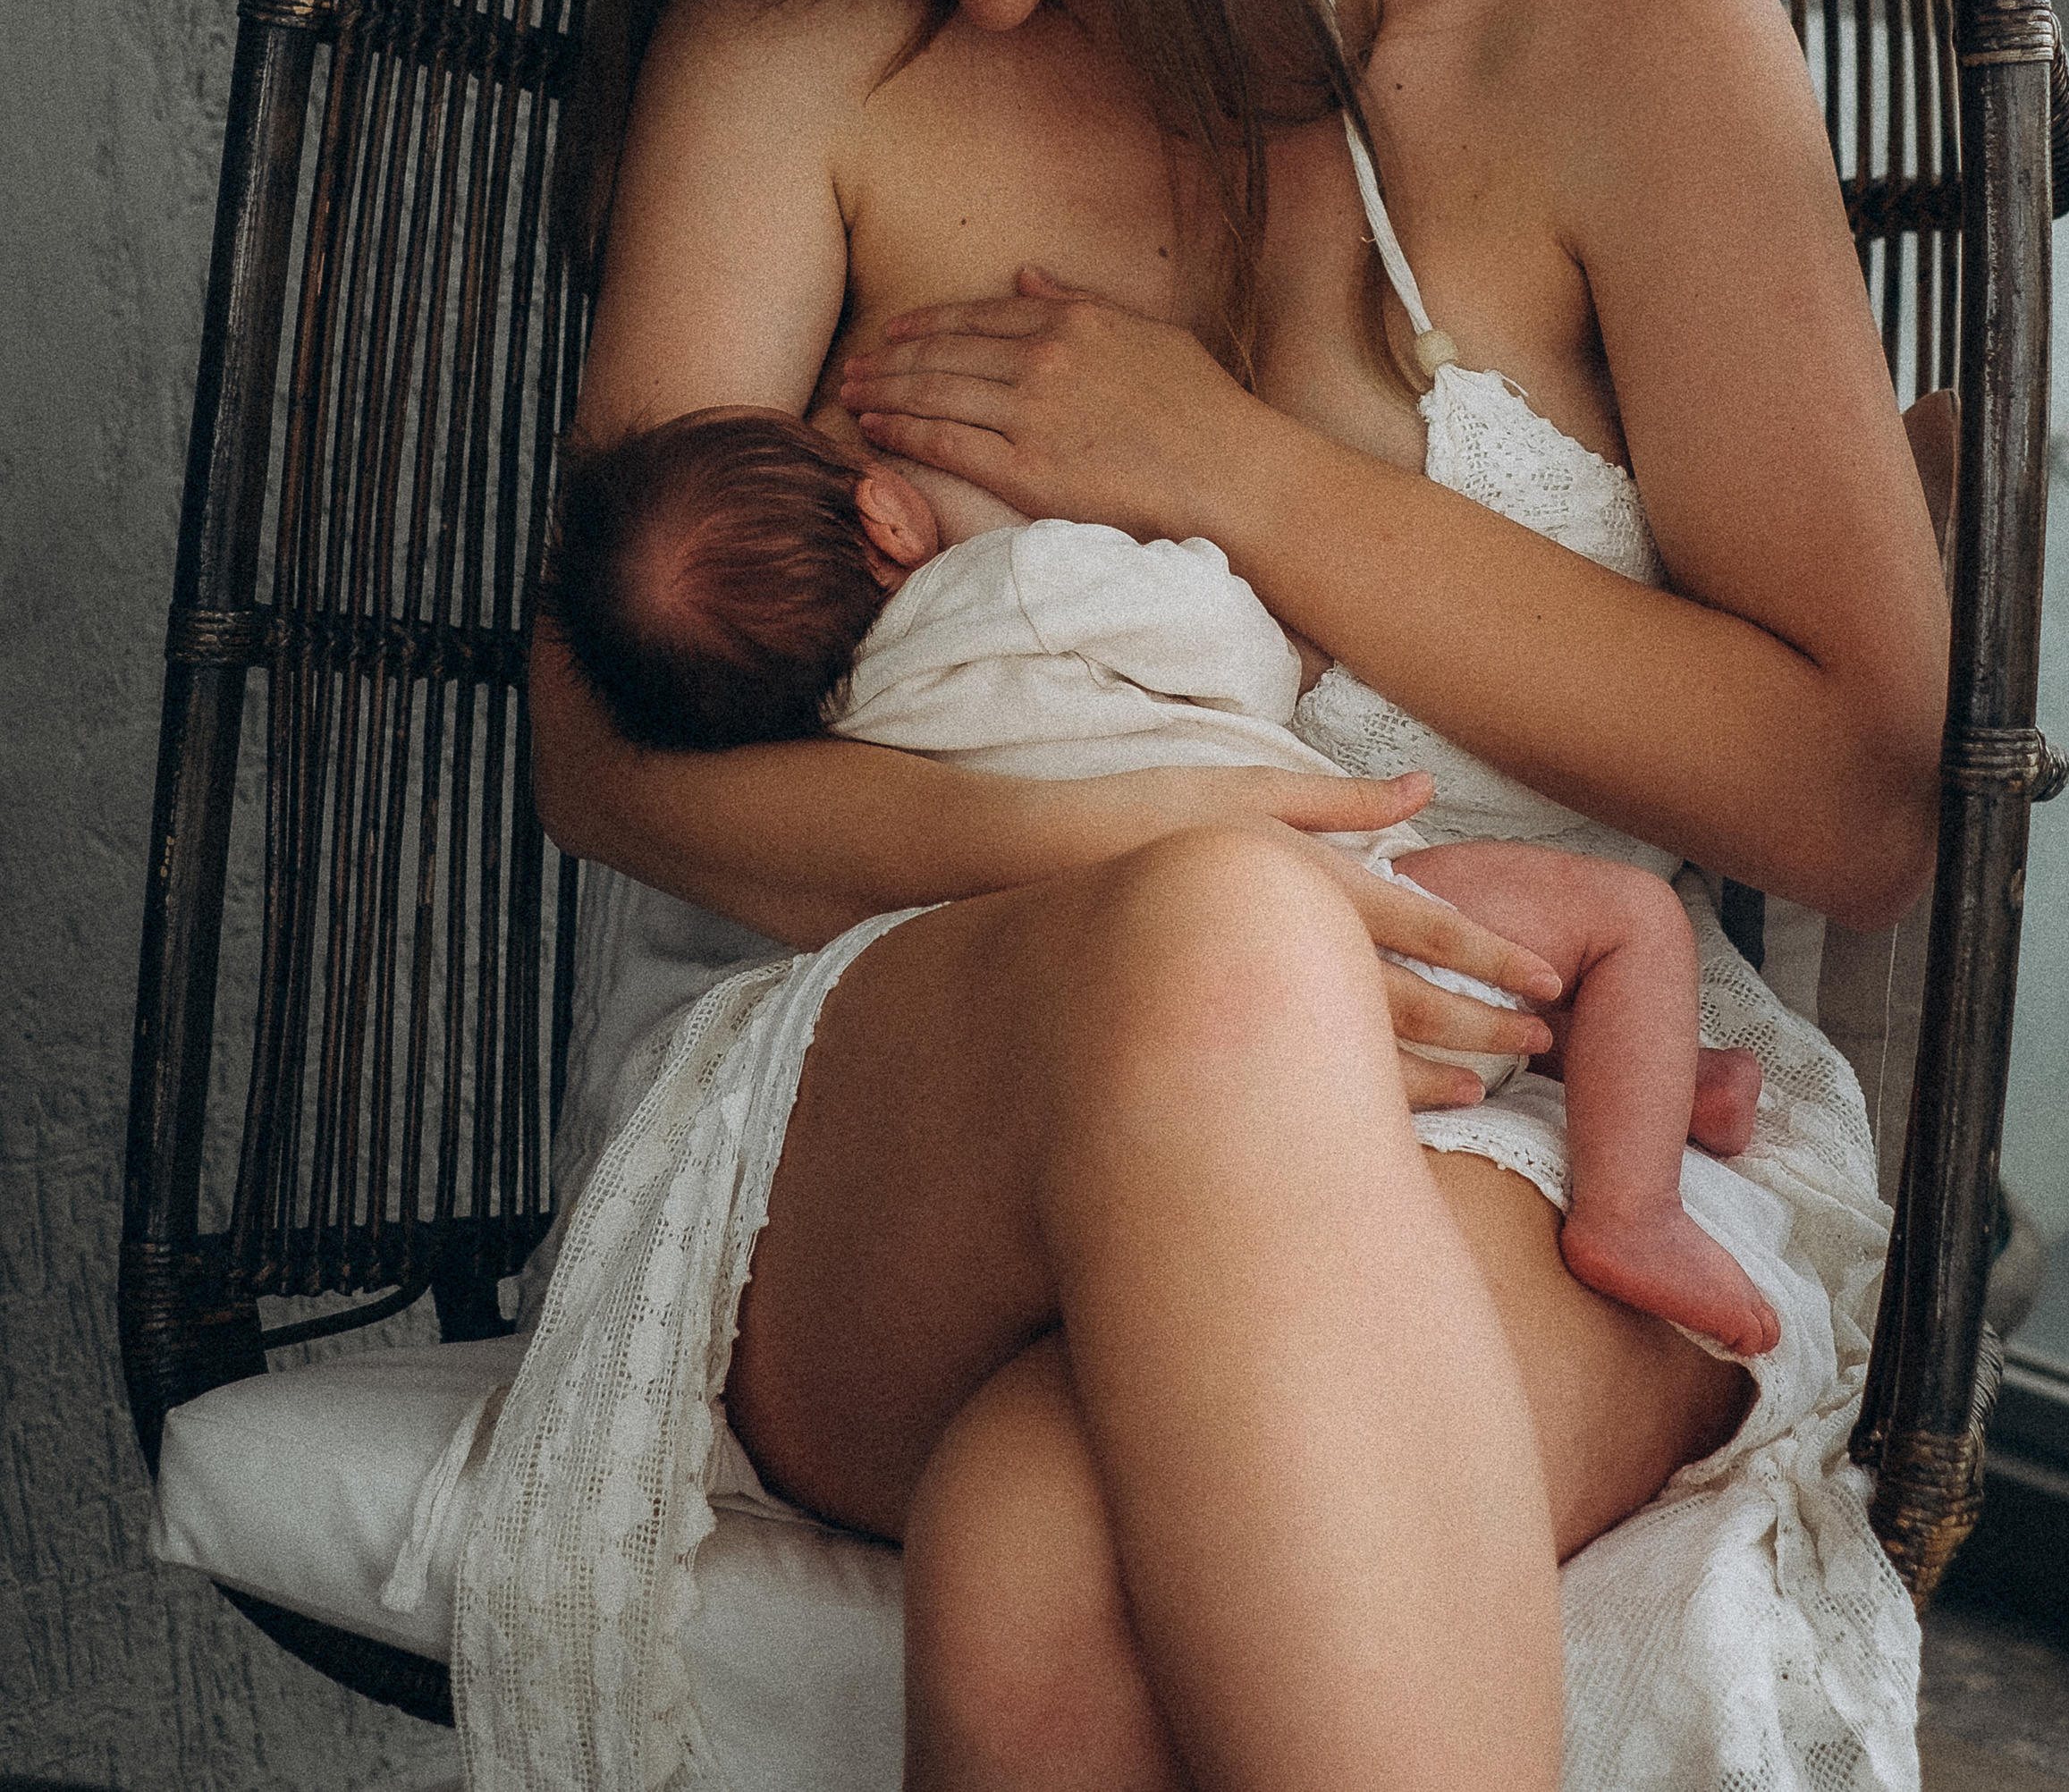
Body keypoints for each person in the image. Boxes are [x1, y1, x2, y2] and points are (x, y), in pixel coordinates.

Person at [479, 0, 1947, 1792]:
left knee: (1056, 1549)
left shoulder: (1618, 26)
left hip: (1536, 1105)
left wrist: (1239, 474)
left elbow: (1863, 801)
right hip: (909, 1101)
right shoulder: (793, 72)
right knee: (1215, 938)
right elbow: (609, 758)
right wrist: (1134, 846)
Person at [538, 402, 1780, 1354]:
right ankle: (1633, 1205)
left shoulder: (843, 766)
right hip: (1351, 904)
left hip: (1194, 1046)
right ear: (889, 516)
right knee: (1624, 919)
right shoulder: (1011, 584)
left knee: (1510, 975)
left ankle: (1678, 1080)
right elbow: (1217, 638)